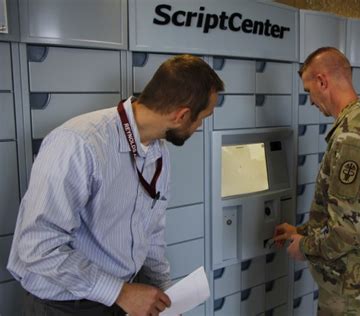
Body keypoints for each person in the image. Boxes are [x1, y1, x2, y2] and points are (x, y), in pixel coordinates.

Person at [8, 54, 224, 316]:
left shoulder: (158, 152)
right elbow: (37, 247)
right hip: (63, 306)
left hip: (120, 299)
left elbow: (151, 234)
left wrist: (166, 294)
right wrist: (120, 292)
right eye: (202, 118)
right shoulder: (79, 143)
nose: (199, 127)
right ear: (181, 115)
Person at [274, 47, 360, 315]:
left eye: (309, 90)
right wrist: (301, 231)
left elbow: (350, 231)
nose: (310, 101)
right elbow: (353, 213)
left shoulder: (351, 140)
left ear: (322, 81)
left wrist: (306, 247)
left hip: (354, 283)